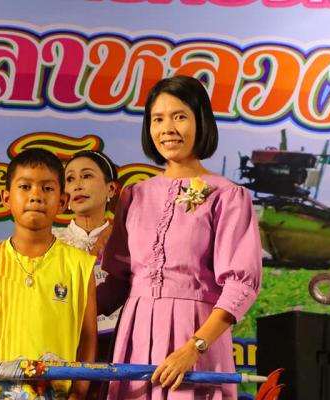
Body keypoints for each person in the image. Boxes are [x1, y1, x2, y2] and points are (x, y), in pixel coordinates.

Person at [97, 75, 262, 400]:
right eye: (157, 119)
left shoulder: (228, 195)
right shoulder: (134, 196)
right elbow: (117, 283)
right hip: (136, 336)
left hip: (197, 337)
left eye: (179, 117)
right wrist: (58, 304)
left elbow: (241, 285)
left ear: (201, 122)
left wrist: (194, 347)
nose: (167, 129)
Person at [0, 148, 97, 400]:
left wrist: (79, 393)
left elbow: (88, 339)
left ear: (62, 201)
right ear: (6, 198)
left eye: (47, 188)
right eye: (25, 187)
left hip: (57, 394)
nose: (36, 196)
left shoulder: (80, 264)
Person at [52, 150, 119, 400]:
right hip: (63, 350)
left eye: (87, 176)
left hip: (119, 350)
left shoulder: (131, 239)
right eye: (70, 179)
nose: (77, 185)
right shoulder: (51, 242)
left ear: (111, 188)